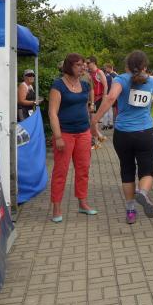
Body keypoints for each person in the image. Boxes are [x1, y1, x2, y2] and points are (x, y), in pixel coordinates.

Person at [91, 51, 153, 224]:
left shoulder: (120, 79)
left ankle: (130, 211)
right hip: (145, 133)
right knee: (147, 171)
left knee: (127, 170)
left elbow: (111, 97)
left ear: (126, 65)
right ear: (145, 66)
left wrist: (95, 120)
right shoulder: (152, 82)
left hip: (123, 134)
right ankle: (142, 193)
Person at [47, 54, 97, 222]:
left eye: (83, 65)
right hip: (65, 134)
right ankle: (56, 207)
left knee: (83, 170)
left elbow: (85, 107)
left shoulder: (84, 84)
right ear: (69, 66)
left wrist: (92, 130)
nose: (83, 67)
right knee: (60, 171)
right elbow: (52, 113)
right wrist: (58, 136)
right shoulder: (58, 85)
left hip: (83, 132)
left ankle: (83, 203)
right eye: (78, 65)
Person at [86, 56, 109, 135]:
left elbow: (105, 85)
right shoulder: (89, 73)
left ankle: (96, 137)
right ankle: (96, 136)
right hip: (90, 99)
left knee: (94, 118)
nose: (87, 64)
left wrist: (104, 98)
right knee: (91, 118)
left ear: (93, 63)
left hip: (97, 98)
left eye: (88, 63)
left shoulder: (99, 72)